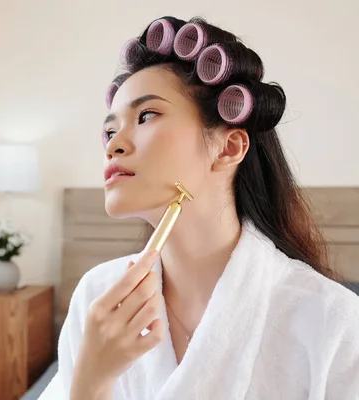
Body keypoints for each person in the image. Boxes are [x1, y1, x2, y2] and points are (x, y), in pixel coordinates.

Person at [38, 15, 359, 400]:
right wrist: (91, 382)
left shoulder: (328, 318)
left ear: (229, 147)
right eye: (109, 130)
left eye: (146, 116)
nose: (113, 145)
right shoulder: (97, 296)